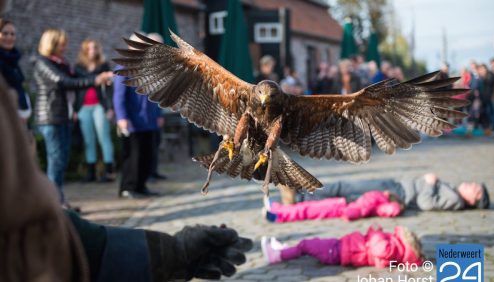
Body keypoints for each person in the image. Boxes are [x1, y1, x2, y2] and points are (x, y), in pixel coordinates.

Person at [0, 75, 253, 281]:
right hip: (134, 124)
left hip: (145, 124)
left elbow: (61, 237)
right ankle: (130, 187)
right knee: (132, 161)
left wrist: (173, 252)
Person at [33, 29, 113, 206]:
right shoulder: (42, 62)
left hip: (63, 116)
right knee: (56, 160)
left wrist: (100, 77)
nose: (64, 47)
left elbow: (79, 76)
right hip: (51, 117)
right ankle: (55, 203)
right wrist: (95, 81)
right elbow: (63, 82)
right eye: (61, 44)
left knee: (62, 160)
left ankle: (59, 199)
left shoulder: (61, 62)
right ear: (52, 44)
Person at [113, 32, 163, 198]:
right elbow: (119, 96)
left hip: (148, 121)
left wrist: (159, 114)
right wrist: (121, 117)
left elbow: (156, 94)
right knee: (132, 157)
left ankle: (141, 186)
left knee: (146, 156)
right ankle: (128, 188)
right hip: (132, 121)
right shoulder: (123, 68)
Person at [292, 173, 490, 211]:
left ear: (473, 200)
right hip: (396, 186)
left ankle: (302, 195)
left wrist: (430, 183)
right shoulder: (453, 192)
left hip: (397, 192)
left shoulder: (454, 199)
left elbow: (427, 204)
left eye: (476, 190)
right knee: (347, 194)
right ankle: (302, 196)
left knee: (345, 189)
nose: (472, 185)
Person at [261, 226, 422, 268]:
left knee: (306, 245)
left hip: (339, 252)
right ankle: (284, 249)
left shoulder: (393, 248)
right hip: (341, 246)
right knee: (312, 243)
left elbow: (379, 249)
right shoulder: (396, 248)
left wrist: (375, 233)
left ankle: (277, 256)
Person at [74, 39, 115, 182]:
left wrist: (110, 108)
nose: (92, 51)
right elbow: (75, 87)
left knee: (103, 138)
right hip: (83, 107)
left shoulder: (104, 65)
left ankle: (109, 171)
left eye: (94, 48)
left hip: (100, 106)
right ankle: (90, 172)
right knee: (88, 140)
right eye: (89, 48)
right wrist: (74, 109)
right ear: (85, 50)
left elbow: (110, 88)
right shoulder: (79, 67)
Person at [263, 190, 402, 223]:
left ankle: (279, 216)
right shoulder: (379, 198)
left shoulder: (381, 200)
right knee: (307, 206)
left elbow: (363, 208)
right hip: (341, 203)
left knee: (308, 210)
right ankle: (277, 208)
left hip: (341, 208)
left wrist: (398, 206)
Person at [146, 32, 168, 181]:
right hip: (143, 113)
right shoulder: (145, 65)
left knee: (155, 142)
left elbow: (158, 93)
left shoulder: (159, 66)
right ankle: (148, 173)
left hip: (154, 111)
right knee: (146, 146)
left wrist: (159, 114)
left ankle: (154, 171)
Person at [0, 19, 31, 122]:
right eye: (4, 33)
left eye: (12, 34)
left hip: (19, 119)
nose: (9, 37)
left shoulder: (13, 60)